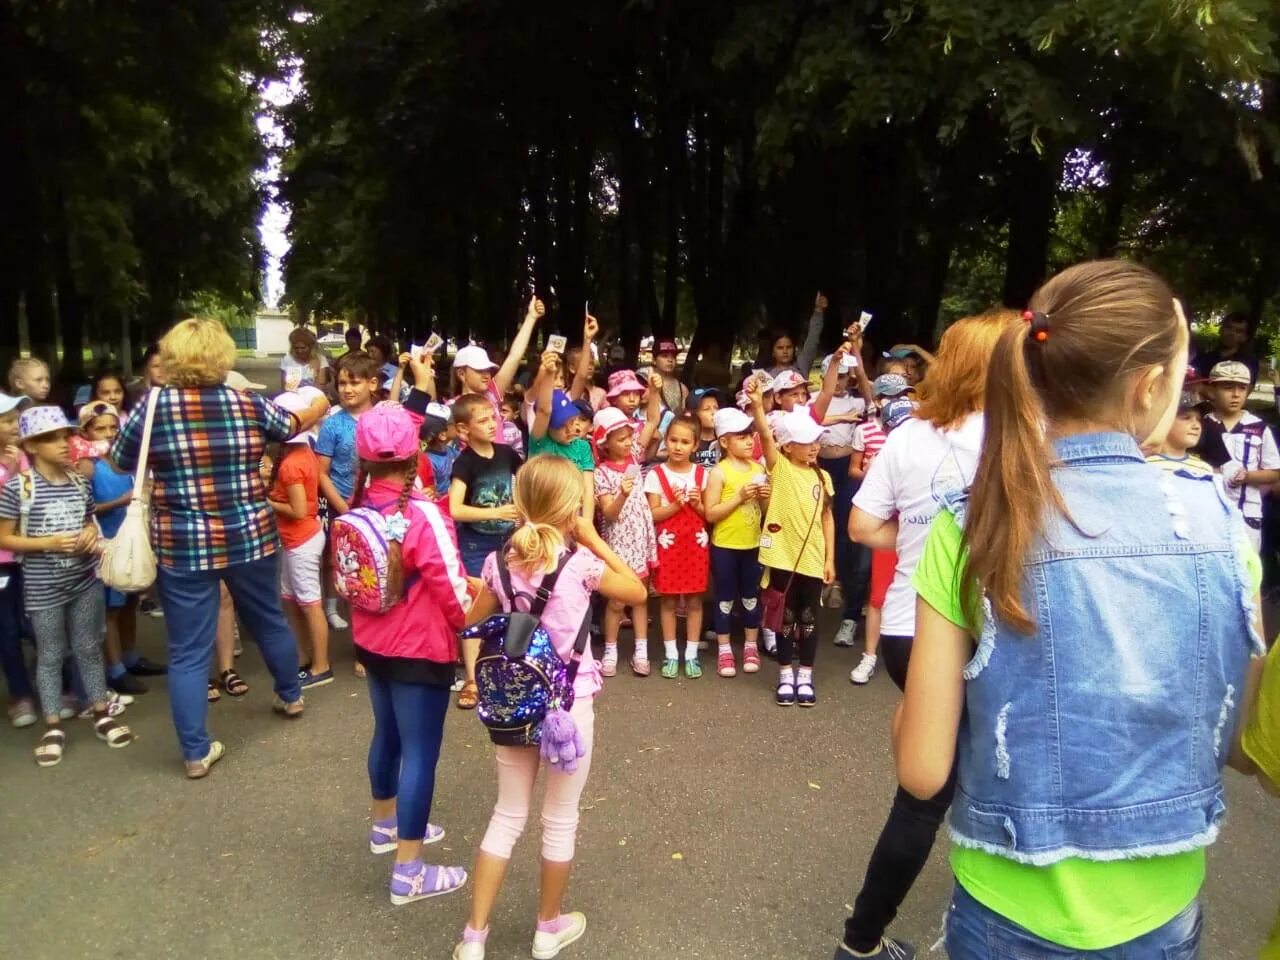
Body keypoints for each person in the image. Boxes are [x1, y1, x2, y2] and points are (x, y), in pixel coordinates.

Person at [896, 260, 1262, 958]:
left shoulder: (974, 521)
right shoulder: (1217, 520)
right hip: (1160, 904)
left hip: (1006, 903)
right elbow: (1236, 737)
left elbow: (921, 768)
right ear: (1152, 385)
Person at [837, 309, 1011, 959]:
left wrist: (917, 544)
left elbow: (860, 526)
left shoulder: (910, 435)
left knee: (925, 790)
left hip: (906, 632)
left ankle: (861, 942)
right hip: (973, 630)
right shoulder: (1009, 435)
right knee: (950, 789)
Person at [110, 318, 330, 779]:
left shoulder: (153, 408)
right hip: (250, 535)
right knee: (269, 618)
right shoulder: (245, 402)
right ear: (221, 357)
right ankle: (290, 695)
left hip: (183, 545)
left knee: (188, 649)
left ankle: (195, 752)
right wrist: (317, 402)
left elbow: (120, 460)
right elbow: (291, 423)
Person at [454, 455, 648, 960]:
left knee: (506, 814)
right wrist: (592, 536)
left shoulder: (498, 562)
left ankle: (474, 938)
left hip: (514, 705)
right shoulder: (581, 564)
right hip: (568, 706)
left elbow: (473, 622)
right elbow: (637, 589)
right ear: (571, 509)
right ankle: (547, 928)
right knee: (560, 818)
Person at [348, 368, 471, 906]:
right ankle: (409, 871)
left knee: (387, 735)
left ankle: (384, 824)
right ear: (414, 451)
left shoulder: (356, 506)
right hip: (420, 648)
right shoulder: (423, 515)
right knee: (421, 752)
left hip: (371, 642)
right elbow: (455, 597)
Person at [0, 405, 134, 766]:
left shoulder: (78, 480)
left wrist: (91, 533)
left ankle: (101, 711)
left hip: (84, 580)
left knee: (89, 647)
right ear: (30, 446)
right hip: (43, 586)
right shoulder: (19, 488)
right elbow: (5, 538)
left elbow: (90, 519)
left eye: (64, 435)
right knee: (50, 653)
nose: (62, 443)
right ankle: (53, 723)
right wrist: (46, 543)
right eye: (50, 438)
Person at [751, 396, 835, 705]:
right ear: (788, 446)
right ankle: (785, 674)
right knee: (785, 617)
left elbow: (828, 518)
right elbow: (764, 434)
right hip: (783, 557)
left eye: (816, 441)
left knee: (809, 617)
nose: (814, 446)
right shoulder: (781, 469)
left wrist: (830, 558)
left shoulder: (822, 477)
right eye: (805, 442)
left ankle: (806, 676)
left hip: (813, 558)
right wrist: (759, 406)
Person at [80, 401, 162, 696]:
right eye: (100, 428)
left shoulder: (127, 462)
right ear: (86, 432)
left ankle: (131, 657)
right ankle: (115, 669)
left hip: (132, 542)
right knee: (110, 611)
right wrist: (124, 500)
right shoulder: (89, 466)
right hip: (107, 546)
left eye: (114, 427)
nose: (109, 433)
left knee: (129, 602)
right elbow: (87, 510)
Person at [449, 393, 523, 708]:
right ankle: (471, 678)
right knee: (476, 612)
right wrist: (497, 513)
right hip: (476, 545)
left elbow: (524, 485)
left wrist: (522, 511)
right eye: (482, 420)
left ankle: (509, 671)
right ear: (464, 430)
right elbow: (455, 509)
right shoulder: (464, 462)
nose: (492, 424)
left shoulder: (508, 454)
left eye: (493, 417)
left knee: (512, 607)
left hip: (509, 542)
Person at [591, 400, 660, 677]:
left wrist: (653, 392)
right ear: (604, 443)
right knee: (617, 601)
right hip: (618, 544)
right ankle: (610, 649)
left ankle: (641, 649)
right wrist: (622, 492)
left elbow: (653, 420)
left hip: (640, 538)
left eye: (630, 435)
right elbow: (609, 514)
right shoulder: (601, 473)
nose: (628, 442)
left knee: (640, 597)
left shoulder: (634, 459)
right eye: (621, 438)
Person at [267, 391, 331, 689]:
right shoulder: (304, 454)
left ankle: (321, 665)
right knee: (293, 600)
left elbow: (299, 509)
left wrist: (265, 500)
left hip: (300, 539)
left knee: (309, 604)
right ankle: (303, 657)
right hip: (297, 539)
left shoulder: (292, 463)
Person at [703, 406, 771, 678]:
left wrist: (765, 495)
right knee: (725, 598)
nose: (748, 440)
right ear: (724, 441)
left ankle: (751, 646)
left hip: (753, 543)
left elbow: (765, 511)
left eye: (749, 435)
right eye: (740, 436)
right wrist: (739, 497)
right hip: (725, 545)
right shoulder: (719, 472)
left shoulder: (759, 467)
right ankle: (724, 649)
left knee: (752, 597)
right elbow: (711, 513)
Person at [317, 351, 381, 630]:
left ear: (373, 384)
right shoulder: (333, 424)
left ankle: (373, 618)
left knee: (373, 564)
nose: (347, 389)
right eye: (342, 384)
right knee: (340, 559)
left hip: (379, 506)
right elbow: (321, 473)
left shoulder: (384, 418)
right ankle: (332, 607)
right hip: (342, 504)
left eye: (354, 382)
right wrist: (344, 509)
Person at [645, 415, 710, 678]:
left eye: (685, 442)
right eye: (673, 440)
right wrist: (674, 506)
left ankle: (692, 654)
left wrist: (696, 504)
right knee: (668, 600)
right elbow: (652, 514)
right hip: (668, 544)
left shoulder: (702, 474)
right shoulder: (655, 474)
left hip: (695, 544)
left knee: (695, 600)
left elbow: (709, 514)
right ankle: (671, 654)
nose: (678, 446)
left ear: (695, 445)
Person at [1200, 360, 1279, 552]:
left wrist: (1249, 476)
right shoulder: (1200, 425)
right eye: (1228, 388)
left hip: (1247, 514)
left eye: (1242, 388)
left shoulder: (1259, 427)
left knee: (1246, 572)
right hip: (1206, 513)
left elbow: (1275, 472)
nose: (1236, 394)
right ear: (1212, 390)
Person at [453, 296, 546, 455]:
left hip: (502, 470)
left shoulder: (492, 394)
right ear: (461, 374)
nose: (486, 375)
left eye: (488, 370)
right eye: (479, 370)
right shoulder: (452, 408)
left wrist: (531, 317)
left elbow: (514, 356)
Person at [0, 394, 36, 727]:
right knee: (7, 630)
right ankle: (20, 693)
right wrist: (8, 474)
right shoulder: (13, 464)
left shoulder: (23, 458)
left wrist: (17, 470)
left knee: (37, 624)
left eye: (15, 420)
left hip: (29, 553)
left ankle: (59, 685)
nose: (14, 427)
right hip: (2, 562)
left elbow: (33, 496)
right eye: (7, 421)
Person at [530, 352, 596, 524]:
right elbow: (544, 410)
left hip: (574, 520)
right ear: (548, 426)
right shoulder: (539, 442)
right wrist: (549, 373)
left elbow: (588, 490)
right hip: (543, 521)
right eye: (562, 424)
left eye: (573, 421)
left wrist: (586, 524)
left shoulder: (582, 446)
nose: (571, 428)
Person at [1147, 387, 1215, 481]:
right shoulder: (1146, 466)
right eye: (1186, 418)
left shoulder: (1205, 470)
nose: (1196, 426)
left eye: (1199, 420)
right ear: (1164, 421)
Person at [765, 291, 828, 378]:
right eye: (780, 348)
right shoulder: (766, 376)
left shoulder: (801, 366)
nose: (785, 351)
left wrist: (818, 311)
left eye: (789, 347)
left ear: (794, 349)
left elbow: (813, 339)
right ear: (772, 352)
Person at [1196, 311, 1259, 385]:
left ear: (1245, 337)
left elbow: (1240, 393)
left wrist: (1200, 388)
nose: (1231, 333)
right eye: (1228, 328)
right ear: (1220, 329)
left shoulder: (1249, 363)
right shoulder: (1203, 359)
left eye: (1238, 331)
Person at [280, 327, 331, 392]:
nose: (299, 351)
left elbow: (320, 389)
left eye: (303, 348)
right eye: (296, 348)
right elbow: (283, 387)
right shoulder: (287, 359)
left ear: (311, 347)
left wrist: (316, 370)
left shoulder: (321, 359)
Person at [652, 338, 688, 412]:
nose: (670, 360)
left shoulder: (682, 388)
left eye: (673, 357)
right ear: (654, 360)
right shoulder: (647, 383)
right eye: (664, 356)